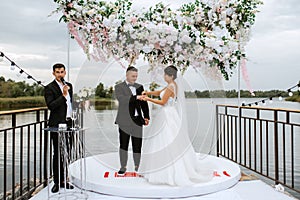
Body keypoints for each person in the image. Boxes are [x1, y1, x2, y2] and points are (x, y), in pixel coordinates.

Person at [139, 65, 214, 186]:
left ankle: (167, 171)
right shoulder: (171, 85)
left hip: (168, 114)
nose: (164, 77)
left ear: (171, 76)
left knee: (166, 139)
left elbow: (163, 102)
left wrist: (147, 99)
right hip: (169, 113)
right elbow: (160, 93)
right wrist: (148, 92)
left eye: (165, 75)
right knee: (164, 140)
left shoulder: (172, 86)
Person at [44, 63, 74, 193]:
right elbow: (51, 105)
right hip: (56, 124)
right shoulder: (49, 88)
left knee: (66, 153)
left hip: (69, 123)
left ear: (65, 72)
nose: (60, 74)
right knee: (57, 153)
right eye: (57, 72)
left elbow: (70, 104)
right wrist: (63, 95)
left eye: (62, 72)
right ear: (53, 73)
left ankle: (64, 180)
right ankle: (56, 182)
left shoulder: (69, 86)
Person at [114, 66, 150, 175]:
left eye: (136, 76)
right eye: (133, 76)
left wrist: (146, 116)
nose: (135, 78)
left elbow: (144, 103)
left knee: (137, 144)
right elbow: (122, 99)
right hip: (124, 121)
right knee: (123, 145)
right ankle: (123, 166)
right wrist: (136, 97)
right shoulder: (118, 87)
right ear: (127, 75)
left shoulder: (140, 87)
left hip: (138, 121)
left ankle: (137, 165)